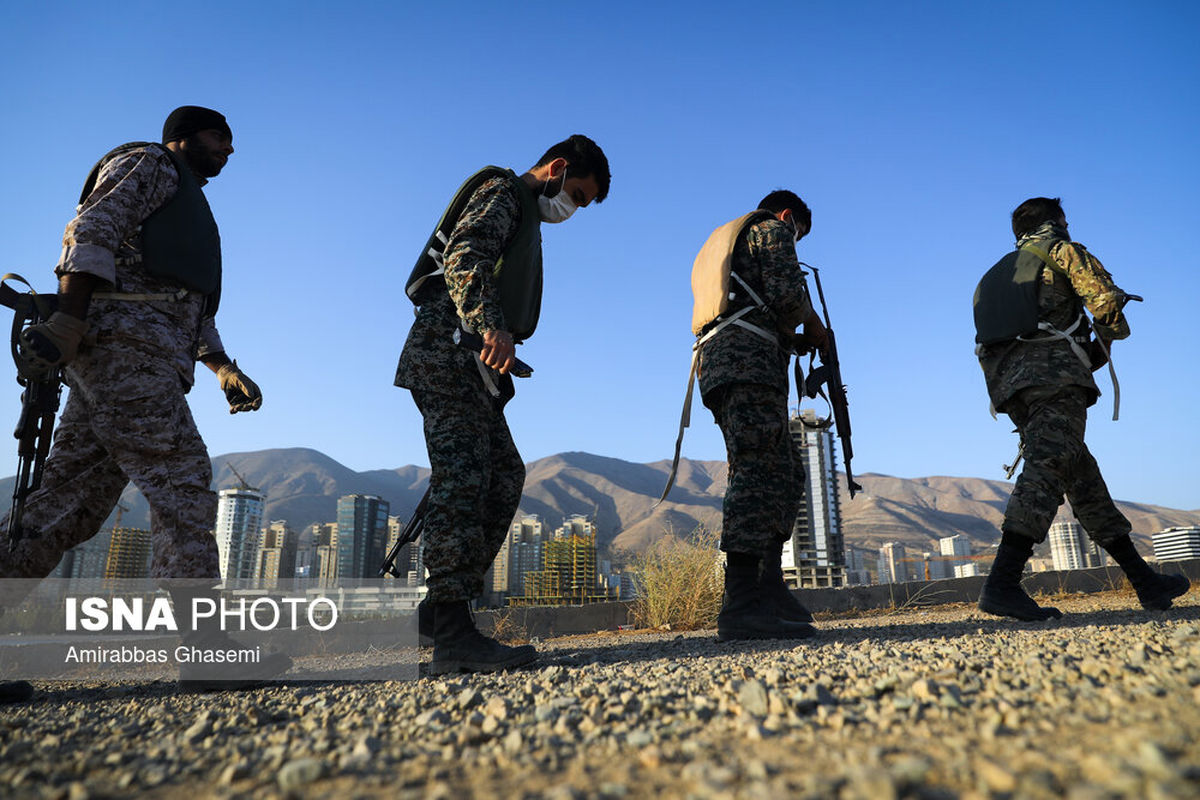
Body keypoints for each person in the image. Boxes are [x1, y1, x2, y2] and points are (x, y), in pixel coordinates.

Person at [0, 105, 285, 690]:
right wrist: (69, 323)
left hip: (136, 358)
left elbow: (185, 300)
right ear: (181, 139)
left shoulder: (186, 199)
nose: (228, 150)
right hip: (122, 352)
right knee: (180, 476)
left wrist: (221, 366)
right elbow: (91, 230)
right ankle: (207, 650)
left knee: (65, 507)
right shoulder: (149, 165)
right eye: (217, 138)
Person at [396, 135, 610, 674]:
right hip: (447, 352)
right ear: (558, 169)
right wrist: (490, 326)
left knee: (504, 475)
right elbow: (464, 255)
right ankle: (451, 632)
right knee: (463, 479)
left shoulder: (525, 216)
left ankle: (438, 613)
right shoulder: (503, 192)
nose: (573, 209)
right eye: (578, 196)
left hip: (474, 365)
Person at [973, 197, 1190, 620]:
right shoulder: (1061, 250)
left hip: (1010, 389)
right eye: (1064, 222)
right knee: (1048, 467)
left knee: (1081, 476)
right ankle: (1001, 584)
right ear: (1055, 223)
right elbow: (1105, 302)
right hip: (1055, 377)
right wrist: (1101, 347)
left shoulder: (996, 272)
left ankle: (1145, 582)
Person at [693, 190, 827, 641]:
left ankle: (768, 586)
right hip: (745, 362)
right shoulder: (771, 227)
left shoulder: (735, 240)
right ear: (790, 217)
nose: (796, 242)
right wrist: (814, 325)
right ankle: (741, 601)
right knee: (755, 470)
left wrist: (792, 337)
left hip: (732, 361)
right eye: (799, 235)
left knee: (786, 472)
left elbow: (762, 304)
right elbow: (789, 297)